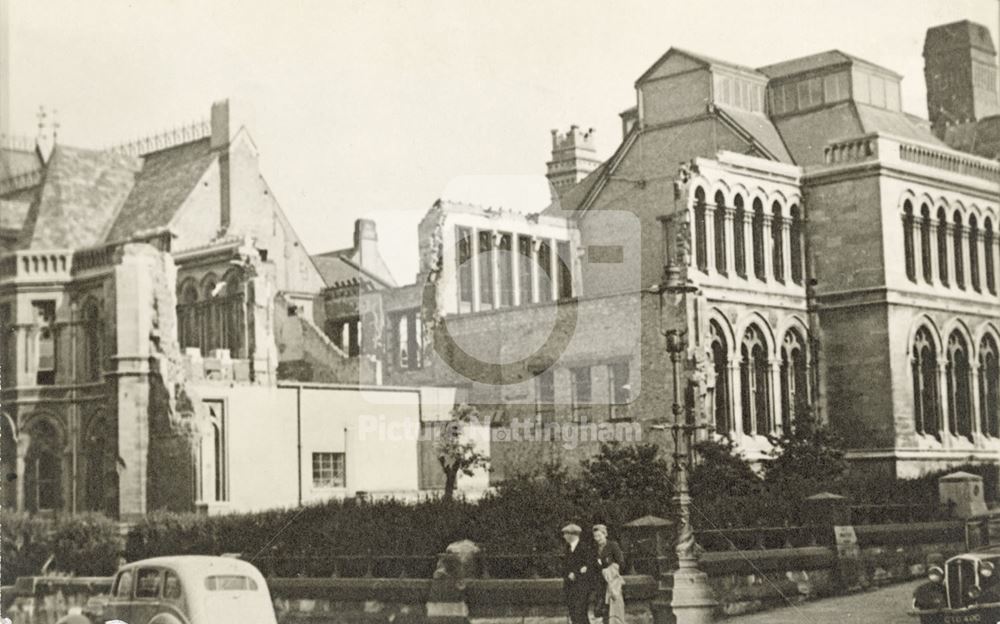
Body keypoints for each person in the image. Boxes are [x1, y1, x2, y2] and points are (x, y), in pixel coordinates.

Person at [592, 524, 626, 624]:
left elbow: (621, 563)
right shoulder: (594, 548)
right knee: (600, 609)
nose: (597, 539)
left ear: (605, 534)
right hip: (599, 583)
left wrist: (610, 569)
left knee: (612, 609)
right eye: (595, 536)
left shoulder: (612, 545)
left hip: (611, 583)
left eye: (599, 536)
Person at [560, 523, 593, 624]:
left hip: (582, 586)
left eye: (565, 534)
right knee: (573, 613)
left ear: (572, 535)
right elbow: (563, 566)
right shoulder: (567, 548)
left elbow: (588, 567)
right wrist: (568, 574)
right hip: (570, 586)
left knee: (580, 612)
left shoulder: (584, 548)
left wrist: (576, 573)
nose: (564, 536)